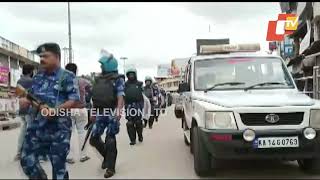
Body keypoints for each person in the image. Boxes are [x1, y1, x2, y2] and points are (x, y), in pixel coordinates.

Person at [19, 43, 80, 179]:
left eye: (45, 56)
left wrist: (55, 110)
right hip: (38, 127)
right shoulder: (38, 77)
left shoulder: (67, 76)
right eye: (40, 56)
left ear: (57, 57)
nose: (42, 59)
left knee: (58, 168)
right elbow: (31, 97)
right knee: (26, 159)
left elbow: (74, 100)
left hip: (59, 129)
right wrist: (25, 102)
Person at [89, 51, 125, 178]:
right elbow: (95, 97)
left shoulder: (118, 79)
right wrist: (93, 113)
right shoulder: (98, 79)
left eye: (102, 65)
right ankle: (106, 157)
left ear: (109, 66)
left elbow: (120, 96)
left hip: (112, 113)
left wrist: (119, 111)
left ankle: (111, 168)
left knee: (110, 140)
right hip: (99, 113)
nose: (101, 67)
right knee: (93, 139)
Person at [65, 63, 91, 164]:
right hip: (81, 109)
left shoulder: (63, 82)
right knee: (82, 132)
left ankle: (69, 157)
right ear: (76, 71)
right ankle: (83, 155)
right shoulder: (82, 81)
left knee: (69, 133)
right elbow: (90, 87)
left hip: (68, 110)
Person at [14, 64, 34, 161]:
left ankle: (19, 153)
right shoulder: (31, 81)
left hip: (22, 109)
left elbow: (18, 94)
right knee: (31, 131)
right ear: (30, 72)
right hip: (30, 110)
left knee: (23, 130)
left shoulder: (19, 81)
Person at [124, 67, 144, 145]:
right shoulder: (125, 84)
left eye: (132, 74)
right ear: (127, 75)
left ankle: (140, 135)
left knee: (138, 122)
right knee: (129, 123)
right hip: (128, 106)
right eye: (129, 74)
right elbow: (121, 95)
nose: (131, 76)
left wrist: (143, 106)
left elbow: (144, 96)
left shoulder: (140, 84)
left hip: (138, 105)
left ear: (135, 74)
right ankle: (132, 140)